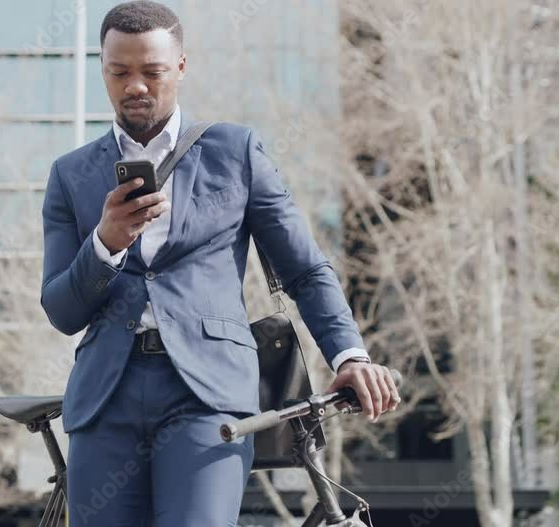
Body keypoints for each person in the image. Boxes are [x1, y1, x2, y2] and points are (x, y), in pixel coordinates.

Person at [39, 2, 400, 524]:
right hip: (105, 401)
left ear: (180, 67)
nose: (135, 85)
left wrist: (349, 355)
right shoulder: (70, 174)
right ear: (103, 69)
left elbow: (305, 270)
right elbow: (61, 310)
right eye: (119, 72)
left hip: (205, 398)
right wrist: (105, 243)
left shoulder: (236, 151)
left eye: (152, 71)